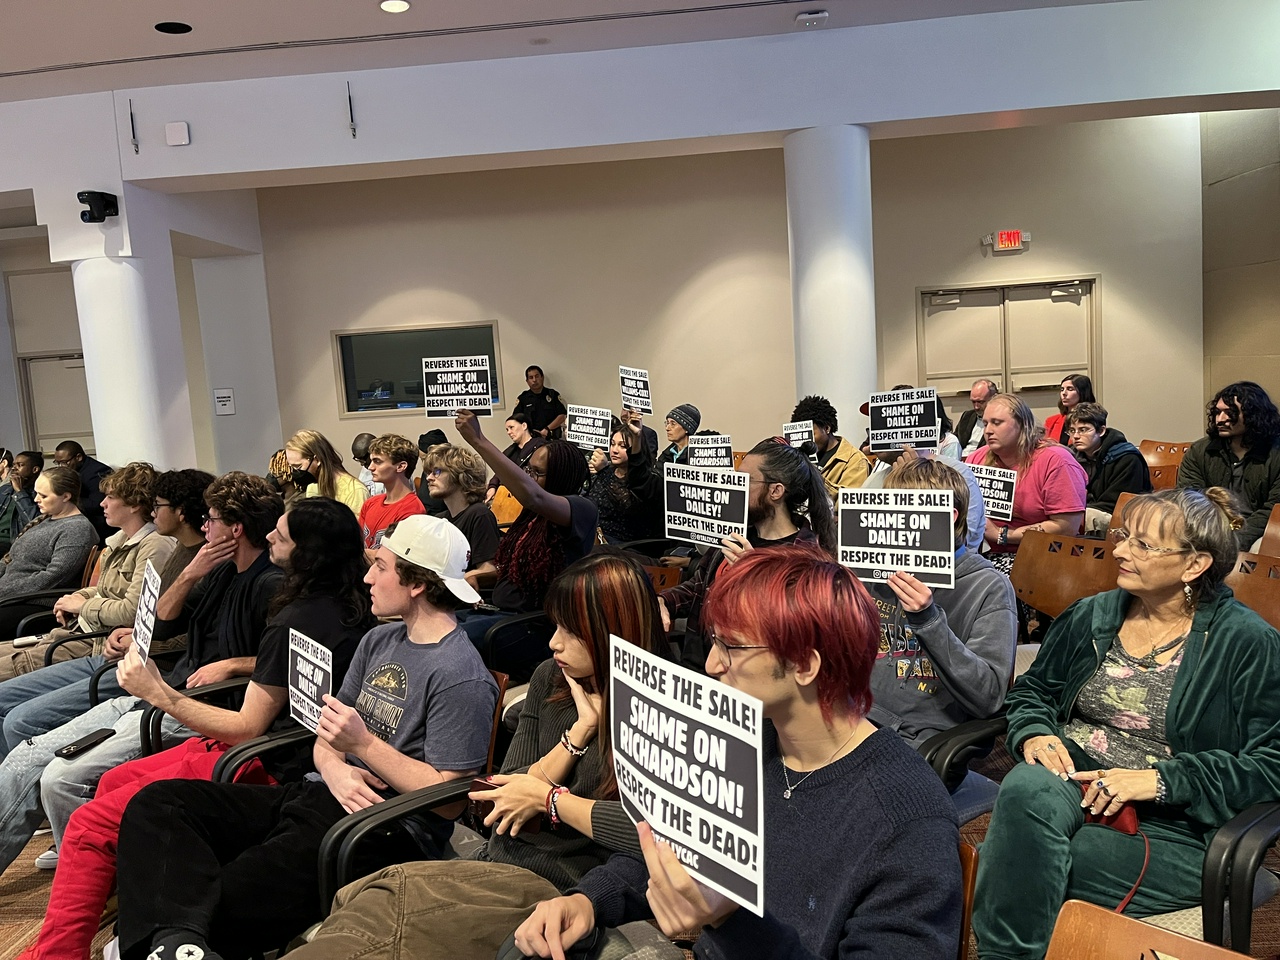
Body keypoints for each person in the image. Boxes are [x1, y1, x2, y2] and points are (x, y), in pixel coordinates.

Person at [513, 545, 962, 960]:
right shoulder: (744, 742)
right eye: (714, 641)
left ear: (805, 665)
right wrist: (588, 900)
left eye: (732, 646)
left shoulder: (906, 819)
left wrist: (729, 921)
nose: (711, 663)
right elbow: (668, 848)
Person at [112, 514, 499, 960]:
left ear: (416, 584)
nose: (367, 576)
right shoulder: (380, 640)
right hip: (320, 796)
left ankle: (164, 944)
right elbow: (327, 735)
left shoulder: (460, 675)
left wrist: (364, 747)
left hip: (381, 827)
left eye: (381, 567)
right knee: (159, 804)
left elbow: (451, 797)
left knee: (214, 898)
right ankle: (176, 946)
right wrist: (336, 769)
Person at [21, 498, 377, 960]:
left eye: (282, 535)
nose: (269, 535)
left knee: (91, 821)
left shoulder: (295, 615)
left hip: (265, 760)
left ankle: (59, 952)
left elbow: (248, 727)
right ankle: (130, 911)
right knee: (111, 780)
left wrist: (160, 695)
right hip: (281, 748)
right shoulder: (340, 604)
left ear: (309, 554)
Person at [284, 551, 672, 960]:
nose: (554, 641)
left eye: (572, 630)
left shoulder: (659, 713)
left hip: (548, 884)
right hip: (497, 861)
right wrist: (577, 735)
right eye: (555, 625)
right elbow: (497, 796)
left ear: (615, 633)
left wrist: (550, 801)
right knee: (363, 900)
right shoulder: (552, 677)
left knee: (371, 931)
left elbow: (657, 834)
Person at [972, 488, 1280, 960]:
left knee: (1023, 864)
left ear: (1194, 565)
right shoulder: (1092, 615)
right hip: (1071, 778)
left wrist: (1161, 781)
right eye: (1124, 536)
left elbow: (1269, 766)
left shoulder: (1247, 644)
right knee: (1028, 788)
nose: (1118, 550)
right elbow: (1034, 692)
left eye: (1142, 545)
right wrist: (1034, 730)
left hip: (1176, 822)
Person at [0, 471, 285, 882]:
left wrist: (234, 664)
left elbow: (282, 660)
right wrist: (189, 574)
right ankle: (85, 866)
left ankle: (91, 878)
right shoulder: (220, 570)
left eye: (213, 518)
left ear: (235, 528)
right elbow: (162, 626)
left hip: (189, 706)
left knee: (59, 778)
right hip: (158, 693)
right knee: (26, 754)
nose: (205, 525)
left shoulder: (269, 584)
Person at [866, 458, 1016, 819]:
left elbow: (988, 696)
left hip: (916, 741)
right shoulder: (877, 572)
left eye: (903, 513)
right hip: (853, 719)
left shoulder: (987, 587)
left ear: (948, 517)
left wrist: (929, 619)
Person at [664, 437, 835, 672]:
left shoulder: (807, 556)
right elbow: (699, 586)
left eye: (745, 480)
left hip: (746, 681)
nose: (735, 487)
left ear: (775, 490)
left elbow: (794, 626)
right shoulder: (735, 533)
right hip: (698, 666)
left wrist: (753, 574)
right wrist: (664, 601)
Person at [0, 461, 175, 681]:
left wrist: (82, 605)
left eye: (111, 498)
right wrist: (77, 596)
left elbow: (133, 611)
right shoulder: (119, 540)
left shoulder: (155, 545)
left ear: (134, 505)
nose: (102, 504)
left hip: (96, 641)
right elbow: (103, 589)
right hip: (77, 630)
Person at [453, 409, 596, 631]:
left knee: (448, 638)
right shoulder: (533, 515)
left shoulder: (581, 508)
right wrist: (480, 577)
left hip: (532, 623)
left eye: (537, 473)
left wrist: (478, 440)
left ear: (560, 475)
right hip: (498, 613)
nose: (529, 477)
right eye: (529, 470)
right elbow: (520, 568)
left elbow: (534, 496)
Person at [965, 392, 1087, 573]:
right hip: (984, 555)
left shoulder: (1056, 461)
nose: (988, 430)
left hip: (1046, 557)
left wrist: (1002, 535)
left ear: (1022, 425)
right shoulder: (977, 458)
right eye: (985, 423)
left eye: (997, 423)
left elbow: (1067, 527)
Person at [1177, 380, 1280, 551]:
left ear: (1254, 415)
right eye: (1217, 412)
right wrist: (1214, 534)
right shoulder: (1200, 450)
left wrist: (1235, 539)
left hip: (1260, 531)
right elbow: (1190, 497)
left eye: (1230, 412)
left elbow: (1273, 510)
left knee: (1263, 547)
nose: (1220, 419)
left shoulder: (1275, 454)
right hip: (1211, 527)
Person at [0, 466, 98, 643]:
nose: (36, 499)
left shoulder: (77, 529)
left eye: (44, 496)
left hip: (34, 602)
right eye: (37, 493)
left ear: (66, 496)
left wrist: (4, 591)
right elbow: (10, 560)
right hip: (12, 596)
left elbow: (53, 577)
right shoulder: (45, 519)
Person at [1066, 402, 1152, 533]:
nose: (1076, 436)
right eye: (1072, 431)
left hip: (1122, 518)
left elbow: (1119, 503)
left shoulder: (1126, 458)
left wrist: (1078, 511)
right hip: (1084, 511)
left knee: (1082, 517)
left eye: (1083, 430)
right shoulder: (1071, 456)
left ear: (1101, 431)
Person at [424, 443, 501, 590]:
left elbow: (489, 569)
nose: (429, 478)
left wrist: (455, 581)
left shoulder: (479, 514)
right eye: (429, 472)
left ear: (460, 475)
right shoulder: (439, 519)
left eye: (437, 471)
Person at [586, 421, 661, 543]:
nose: (614, 450)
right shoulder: (606, 470)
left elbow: (628, 506)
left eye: (623, 446)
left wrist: (603, 471)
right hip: (593, 533)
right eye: (613, 444)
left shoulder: (646, 480)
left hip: (622, 542)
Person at [790, 395, 871, 500]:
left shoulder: (854, 460)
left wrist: (814, 477)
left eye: (811, 434)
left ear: (827, 428)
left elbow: (850, 502)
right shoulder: (797, 457)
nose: (806, 442)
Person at [355, 433, 425, 552]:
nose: (370, 467)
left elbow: (397, 558)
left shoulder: (412, 510)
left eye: (377, 461)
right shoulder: (370, 503)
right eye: (371, 461)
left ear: (401, 467)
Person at [286, 428, 369, 516]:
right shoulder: (312, 487)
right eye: (292, 467)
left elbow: (355, 529)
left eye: (298, 466)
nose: (295, 472)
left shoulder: (354, 491)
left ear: (317, 459)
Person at [53, 441, 113, 544]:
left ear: (79, 457)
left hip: (101, 529)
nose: (61, 467)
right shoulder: (73, 470)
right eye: (57, 463)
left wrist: (67, 500)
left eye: (64, 462)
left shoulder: (97, 472)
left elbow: (97, 504)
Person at [488, 413, 547, 502]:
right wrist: (492, 486)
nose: (509, 432)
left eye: (511, 427)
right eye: (507, 429)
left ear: (524, 426)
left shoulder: (541, 447)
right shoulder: (510, 451)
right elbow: (500, 470)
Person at [0, 449, 42, 556]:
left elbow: (34, 522)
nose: (14, 468)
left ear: (35, 469)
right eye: (14, 464)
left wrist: (19, 492)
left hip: (12, 542)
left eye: (20, 465)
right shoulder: (5, 489)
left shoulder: (39, 494)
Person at [1042, 374, 1096, 446]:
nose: (1064, 393)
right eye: (1062, 389)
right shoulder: (1051, 421)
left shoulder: (1093, 419)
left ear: (1082, 392)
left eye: (1070, 389)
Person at [516, 365, 568, 440]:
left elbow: (562, 416)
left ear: (542, 377)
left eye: (537, 376)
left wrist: (547, 429)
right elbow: (516, 420)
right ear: (527, 381)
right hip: (530, 439)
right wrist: (530, 431)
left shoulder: (552, 395)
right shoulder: (523, 398)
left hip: (552, 438)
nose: (534, 380)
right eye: (531, 377)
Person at [957, 379, 1000, 458]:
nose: (976, 407)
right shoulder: (967, 416)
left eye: (980, 402)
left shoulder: (999, 420)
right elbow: (955, 441)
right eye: (973, 402)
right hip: (960, 460)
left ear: (994, 398)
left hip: (982, 461)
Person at [350, 432, 385, 497]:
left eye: (363, 459)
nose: (362, 464)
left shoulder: (390, 470)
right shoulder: (365, 469)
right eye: (358, 459)